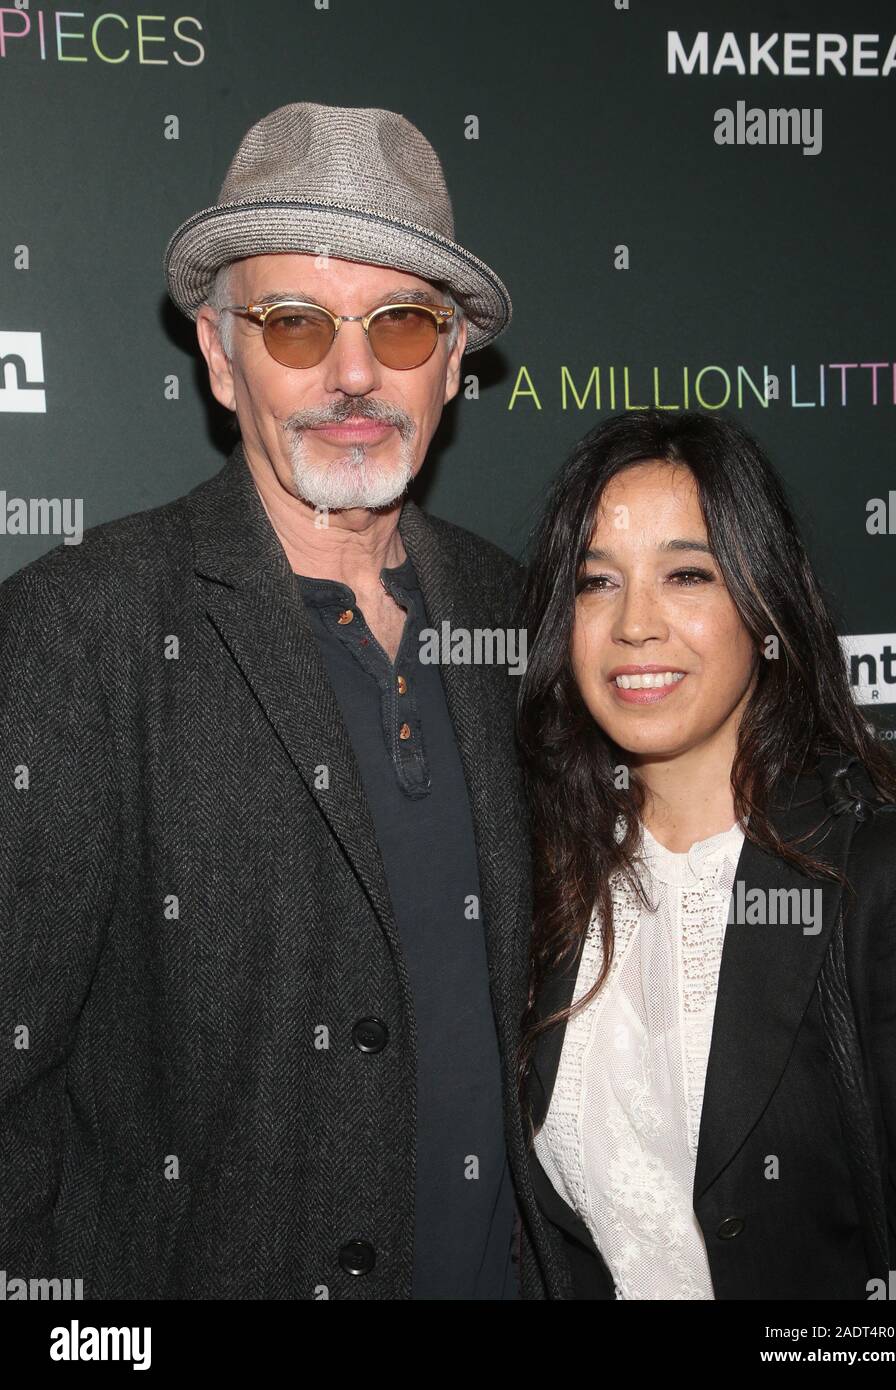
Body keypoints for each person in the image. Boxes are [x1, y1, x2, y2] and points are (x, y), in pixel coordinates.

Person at [0, 100, 557, 1299]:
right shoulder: (76, 629)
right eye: (295, 325)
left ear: (455, 359)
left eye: (402, 324)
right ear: (217, 352)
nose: (354, 373)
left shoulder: (525, 618)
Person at [515, 407, 896, 1299]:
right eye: (597, 584)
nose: (635, 624)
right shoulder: (537, 876)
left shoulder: (890, 880)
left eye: (686, 574)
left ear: (763, 605)